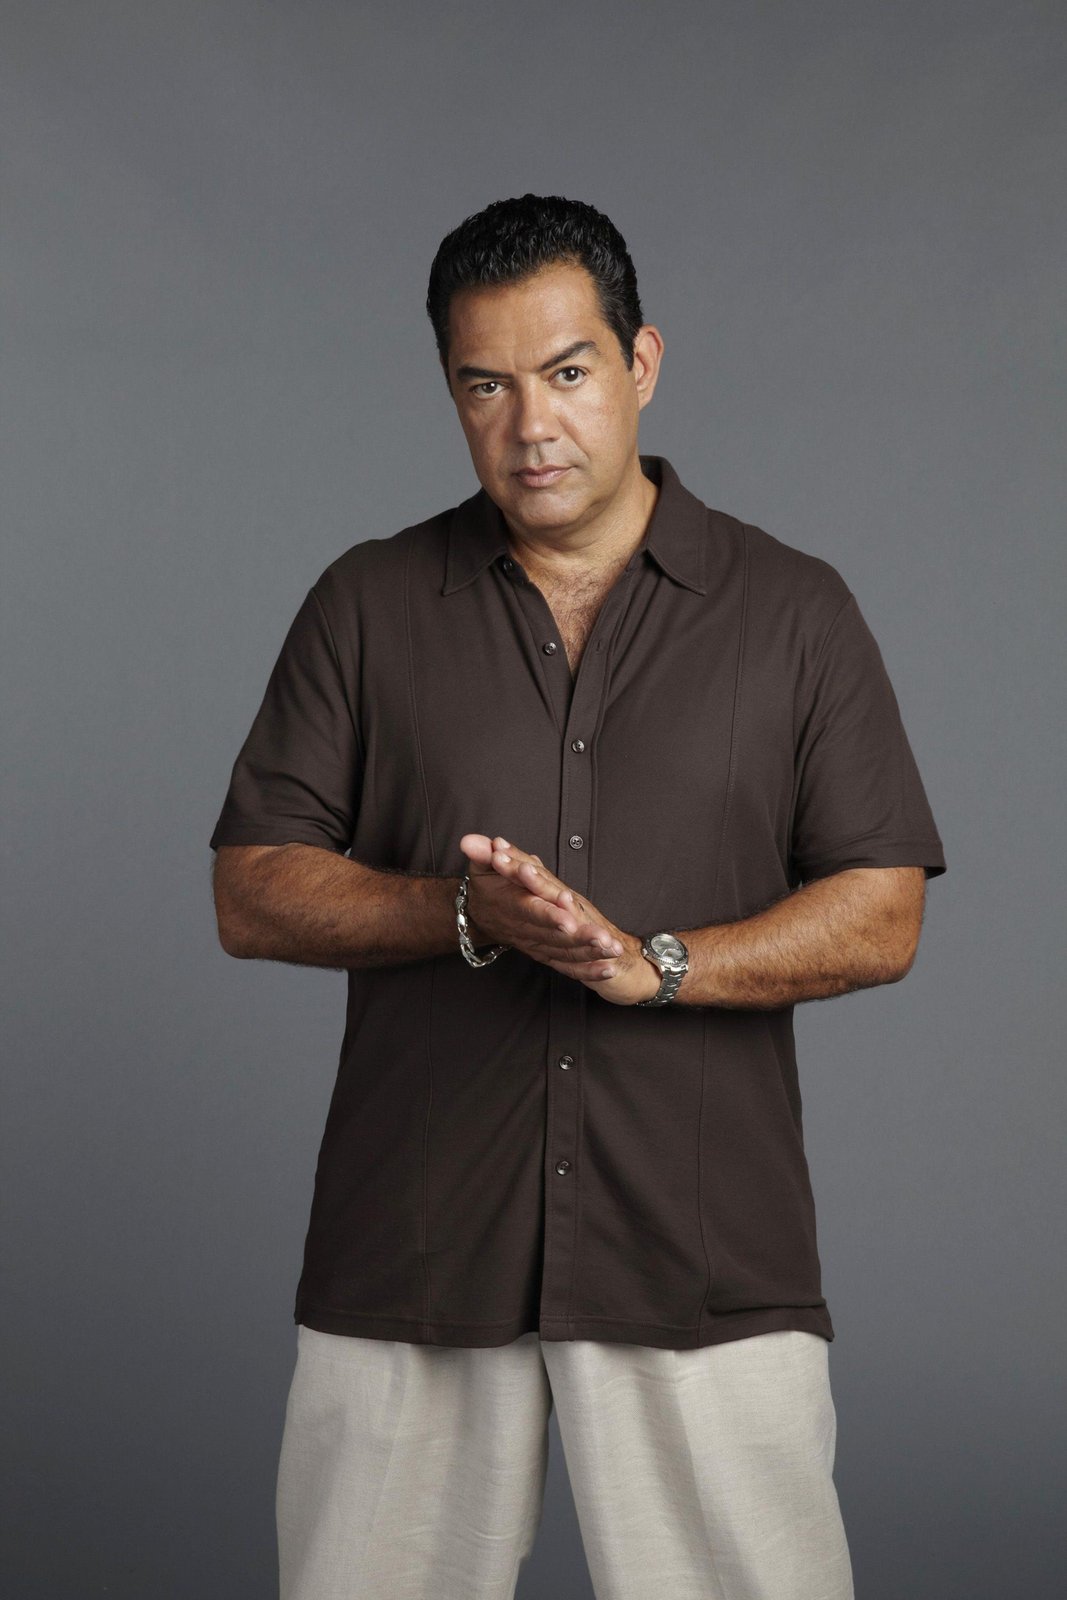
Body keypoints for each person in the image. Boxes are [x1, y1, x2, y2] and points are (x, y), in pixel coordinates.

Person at [209, 193, 946, 1600]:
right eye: (484, 386)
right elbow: (252, 888)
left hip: (702, 1254)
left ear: (641, 362)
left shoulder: (796, 611)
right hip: (416, 1250)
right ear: (450, 393)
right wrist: (464, 916)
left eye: (566, 372)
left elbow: (883, 906)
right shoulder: (366, 604)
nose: (531, 427)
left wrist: (653, 966)